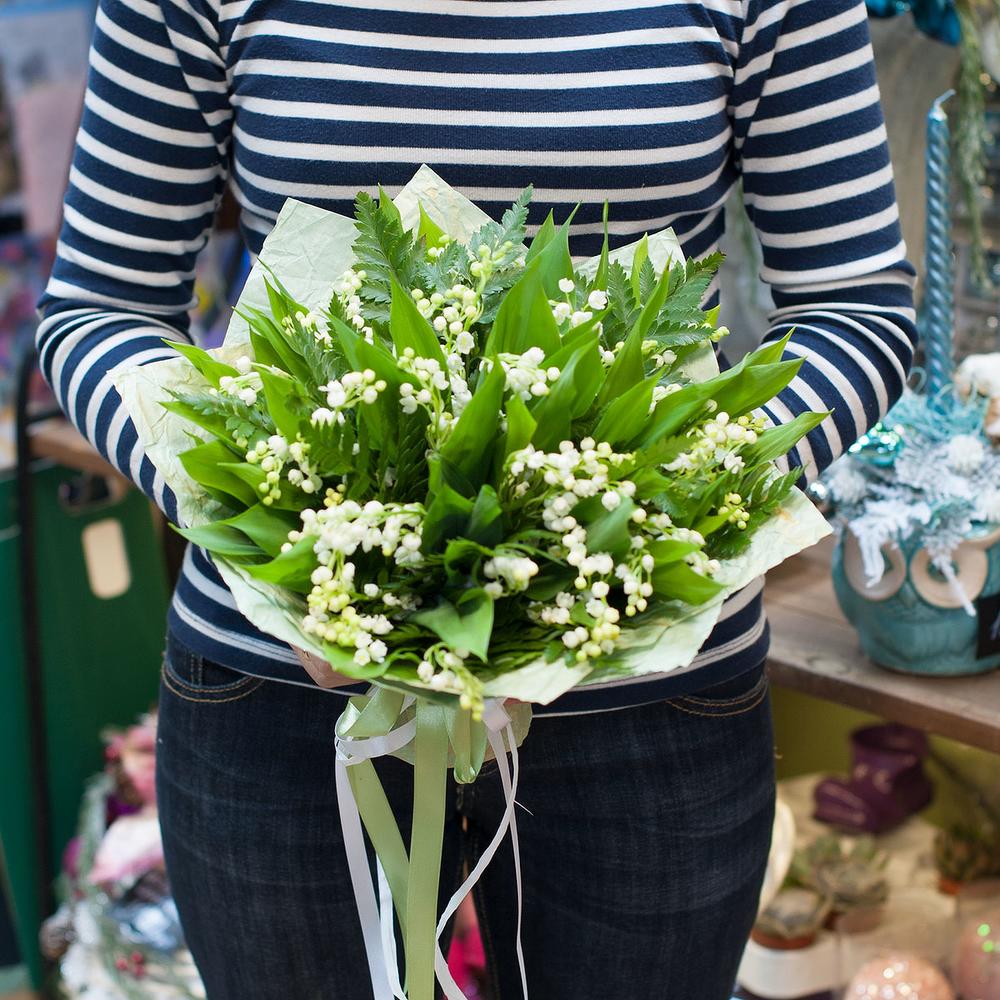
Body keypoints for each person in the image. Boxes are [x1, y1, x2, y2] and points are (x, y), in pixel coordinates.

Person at [39, 0, 916, 996]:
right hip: (289, 693)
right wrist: (269, 521)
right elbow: (97, 306)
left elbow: (855, 307)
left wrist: (656, 518)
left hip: (644, 695)